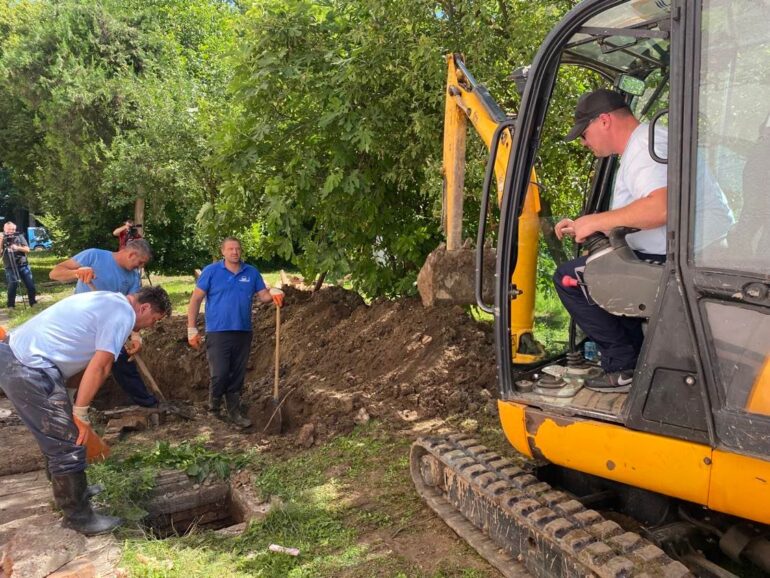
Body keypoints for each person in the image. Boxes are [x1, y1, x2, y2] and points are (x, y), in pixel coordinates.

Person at [0, 286, 172, 535]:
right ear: (144, 307)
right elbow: (101, 366)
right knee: (68, 443)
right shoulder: (122, 314)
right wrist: (80, 414)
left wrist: (69, 402)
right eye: (152, 320)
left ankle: (74, 492)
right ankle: (79, 517)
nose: (147, 327)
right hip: (28, 368)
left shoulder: (109, 301)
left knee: (61, 434)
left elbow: (82, 358)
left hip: (23, 357)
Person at [554, 89, 669, 393]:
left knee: (569, 278)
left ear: (604, 120)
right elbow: (637, 213)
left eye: (584, 132)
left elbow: (661, 207)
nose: (582, 141)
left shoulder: (646, 147)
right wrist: (588, 225)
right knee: (593, 270)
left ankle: (624, 365)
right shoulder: (646, 143)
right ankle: (639, 356)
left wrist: (596, 221)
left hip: (666, 263)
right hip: (669, 253)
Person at [187, 237, 284, 428]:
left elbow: (263, 295)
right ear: (223, 252)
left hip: (243, 330)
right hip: (218, 330)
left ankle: (234, 409)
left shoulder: (251, 272)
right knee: (220, 372)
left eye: (238, 249)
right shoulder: (211, 271)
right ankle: (214, 407)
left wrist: (274, 292)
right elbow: (195, 299)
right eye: (230, 249)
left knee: (238, 373)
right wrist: (191, 328)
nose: (234, 252)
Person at [49, 239, 158, 407]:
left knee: (119, 362)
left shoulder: (133, 276)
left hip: (111, 326)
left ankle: (146, 402)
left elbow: (135, 310)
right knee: (77, 362)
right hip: (82, 322)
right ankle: (65, 401)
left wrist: (136, 336)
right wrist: (77, 272)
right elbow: (55, 272)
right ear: (132, 254)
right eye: (140, 262)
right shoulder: (94, 255)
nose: (140, 267)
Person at [1, 221, 37, 308]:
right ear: (4, 229)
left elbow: (27, 249)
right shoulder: (1, 238)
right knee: (13, 284)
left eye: (13, 229)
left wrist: (17, 247)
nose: (11, 231)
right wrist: (1, 241)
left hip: (23, 264)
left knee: (30, 284)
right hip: (10, 266)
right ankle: (11, 305)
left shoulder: (19, 236)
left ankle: (33, 303)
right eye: (9, 229)